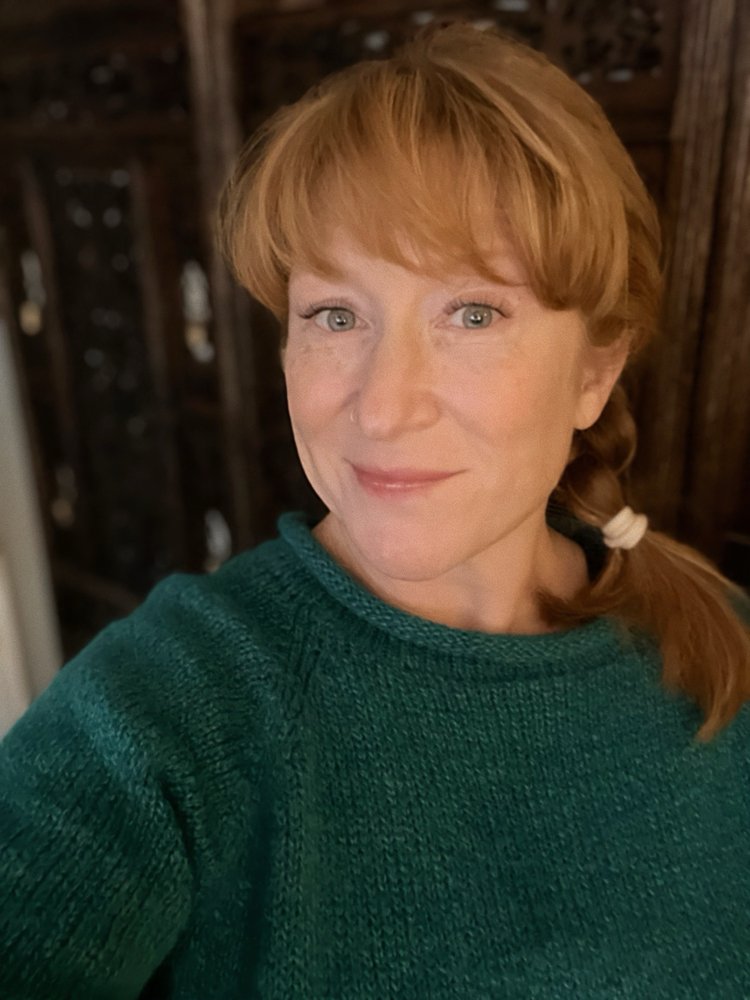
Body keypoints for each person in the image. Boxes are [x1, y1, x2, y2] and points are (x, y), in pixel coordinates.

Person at [2, 19, 750, 999]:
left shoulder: (720, 643)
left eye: (472, 313)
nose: (384, 407)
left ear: (594, 374)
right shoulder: (176, 702)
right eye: (335, 315)